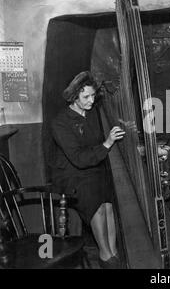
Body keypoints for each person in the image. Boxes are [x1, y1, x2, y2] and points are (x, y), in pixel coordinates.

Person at [50, 71, 125, 269]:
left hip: (94, 168)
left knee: (109, 203)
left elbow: (98, 142)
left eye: (93, 96)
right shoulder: (60, 122)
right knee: (97, 202)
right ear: (74, 96)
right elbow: (79, 158)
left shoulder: (93, 114)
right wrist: (107, 143)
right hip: (72, 174)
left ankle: (113, 251)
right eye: (86, 97)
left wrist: (124, 129)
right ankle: (106, 255)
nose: (91, 100)